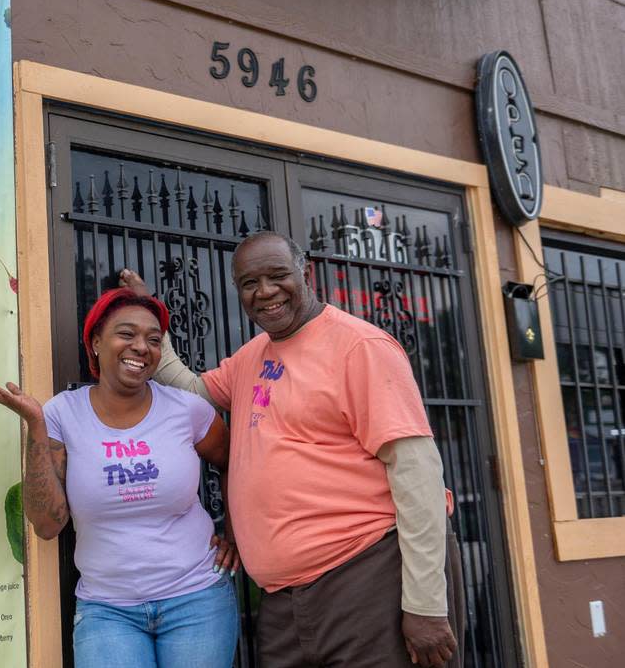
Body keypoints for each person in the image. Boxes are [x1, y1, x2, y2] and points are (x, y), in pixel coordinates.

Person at [120, 231, 464, 668]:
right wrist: (151, 320)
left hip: (367, 577)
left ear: (306, 273)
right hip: (284, 602)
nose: (264, 292)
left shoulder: (361, 347)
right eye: (249, 283)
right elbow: (191, 390)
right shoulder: (252, 356)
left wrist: (427, 604)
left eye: (277, 275)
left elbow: (418, 477)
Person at [0, 288, 241, 668]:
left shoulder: (188, 411)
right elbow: (48, 525)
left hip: (197, 599)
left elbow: (234, 462)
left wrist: (233, 535)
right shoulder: (62, 414)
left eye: (153, 339)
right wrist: (36, 426)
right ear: (96, 342)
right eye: (126, 334)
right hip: (108, 610)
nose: (141, 347)